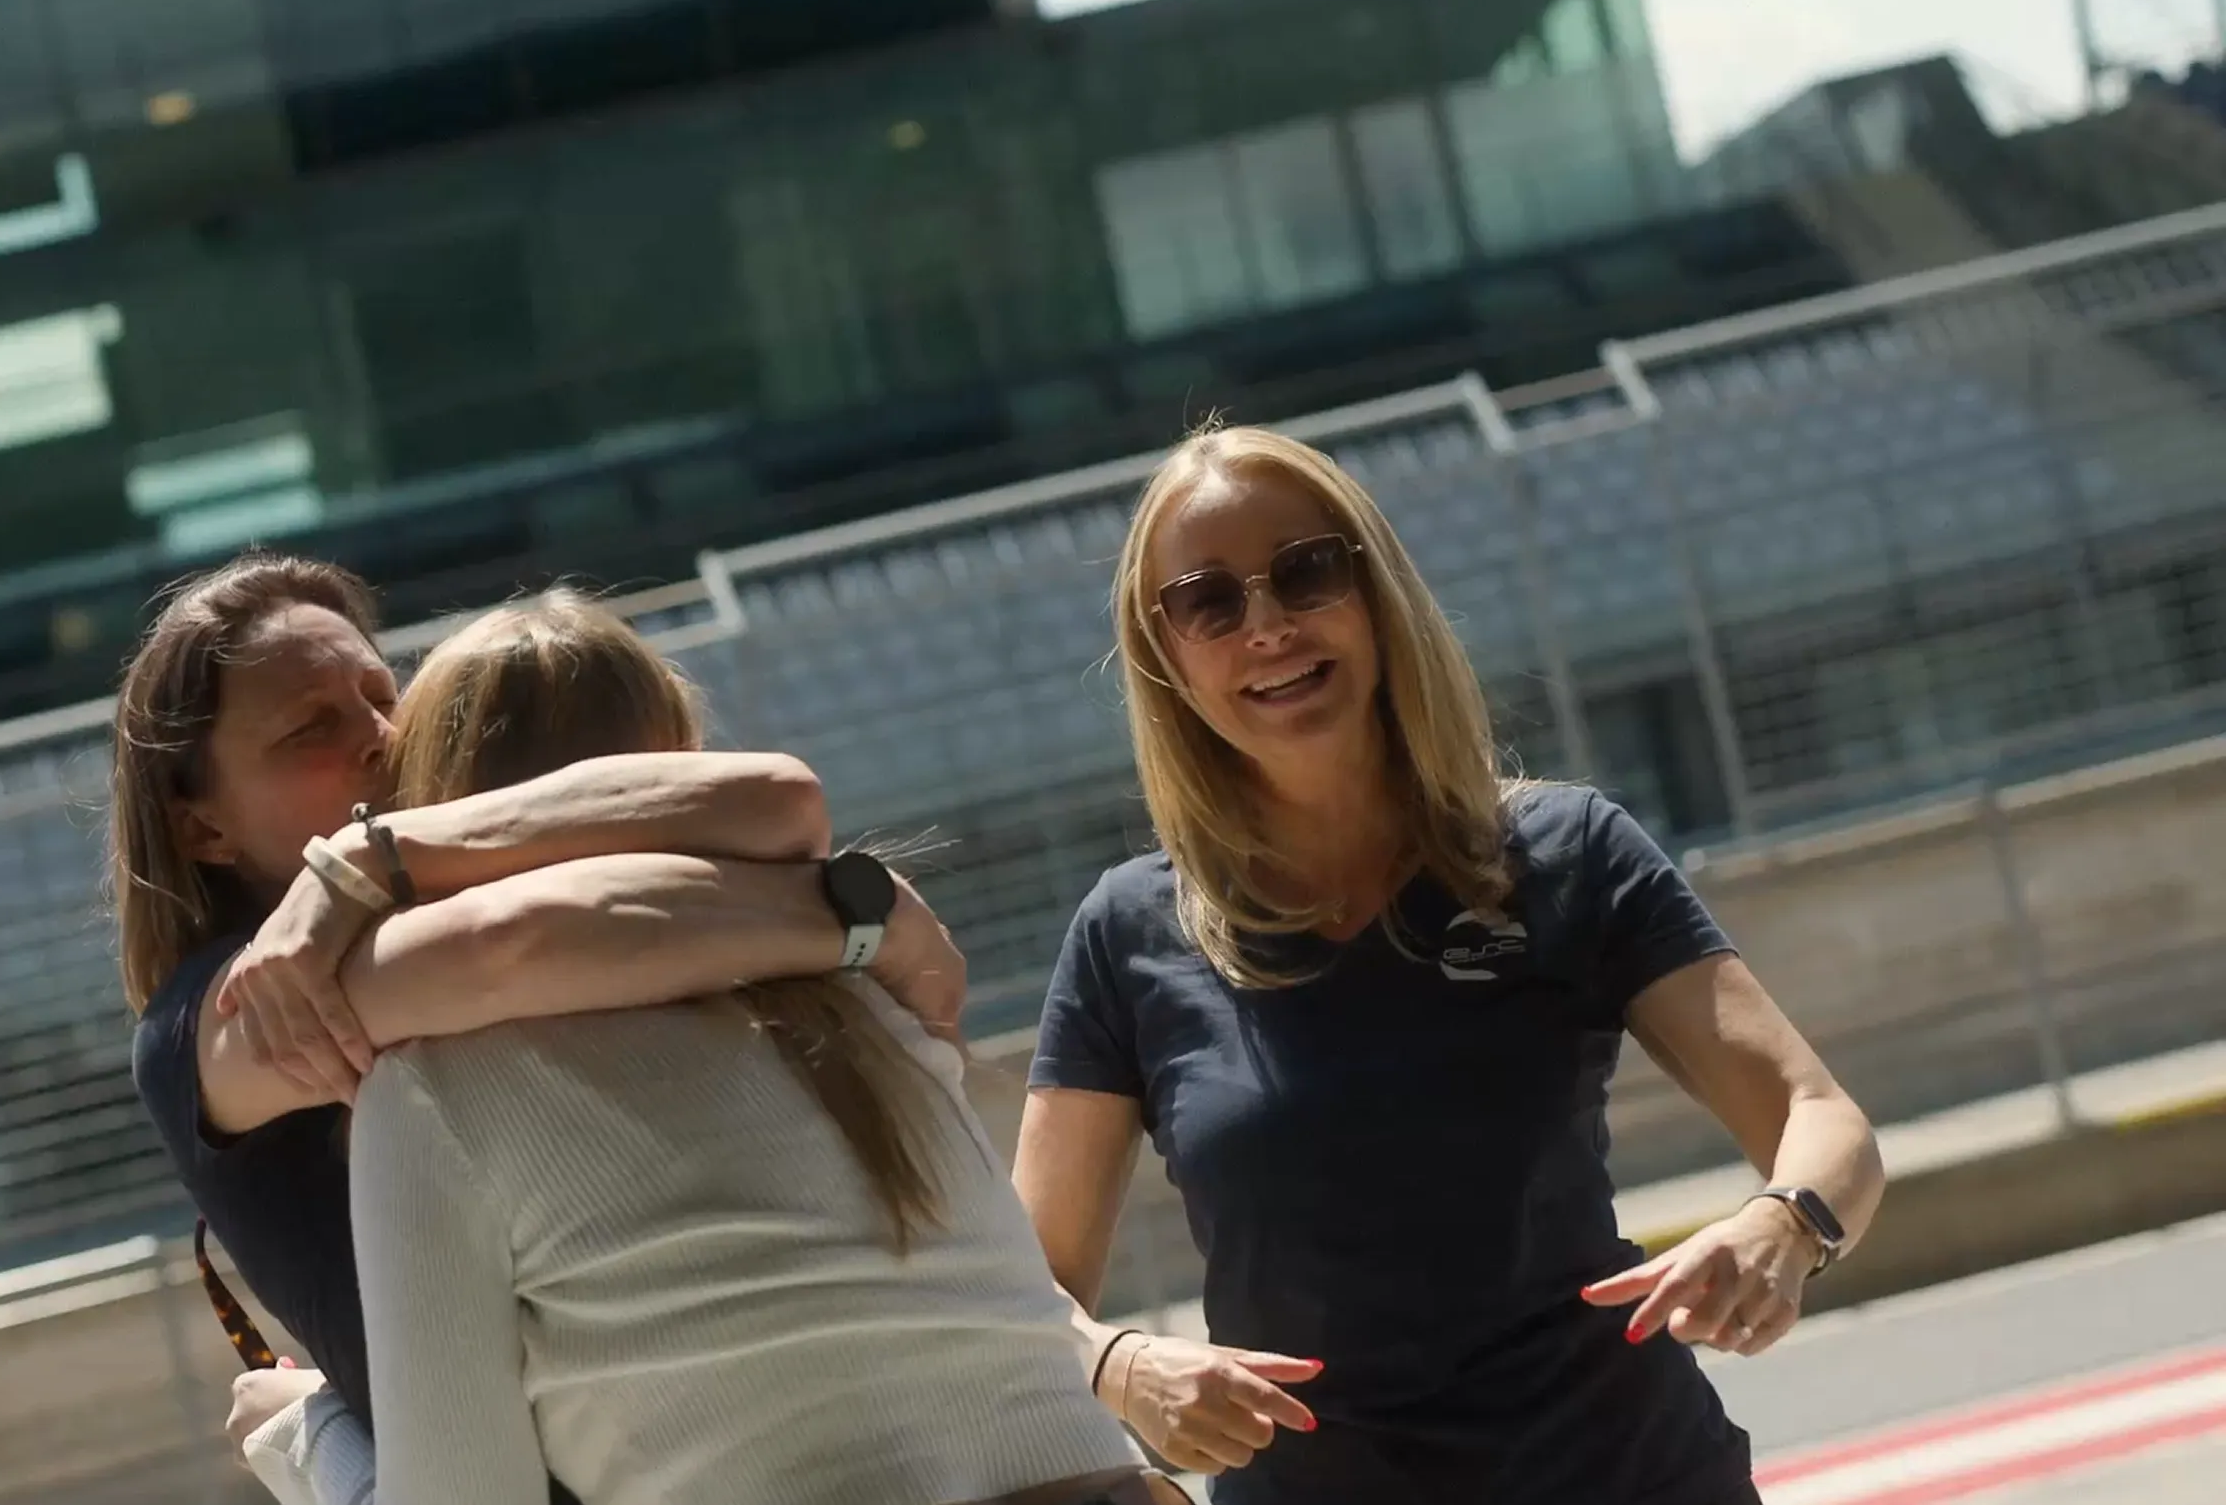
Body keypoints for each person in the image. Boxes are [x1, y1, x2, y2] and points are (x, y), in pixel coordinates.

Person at [1013, 424, 1886, 1505]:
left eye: (1307, 571)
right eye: (1210, 601)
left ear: (1377, 590)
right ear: (1166, 654)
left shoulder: (1571, 854)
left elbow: (1820, 1116)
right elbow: (1021, 1295)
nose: (1269, 626)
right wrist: (1118, 1365)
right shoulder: (1125, 933)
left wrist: (1784, 1224)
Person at [252, 590, 1168, 1505]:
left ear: (433, 805)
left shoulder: (429, 1094)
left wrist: (311, 1436)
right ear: (680, 778)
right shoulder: (864, 1000)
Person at [115, 555, 969, 1466]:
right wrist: (854, 922)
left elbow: (784, 803)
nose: (378, 733)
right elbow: (502, 951)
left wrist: (374, 853)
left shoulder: (417, 876)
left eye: (380, 692)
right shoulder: (219, 1014)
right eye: (309, 729)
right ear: (204, 827)